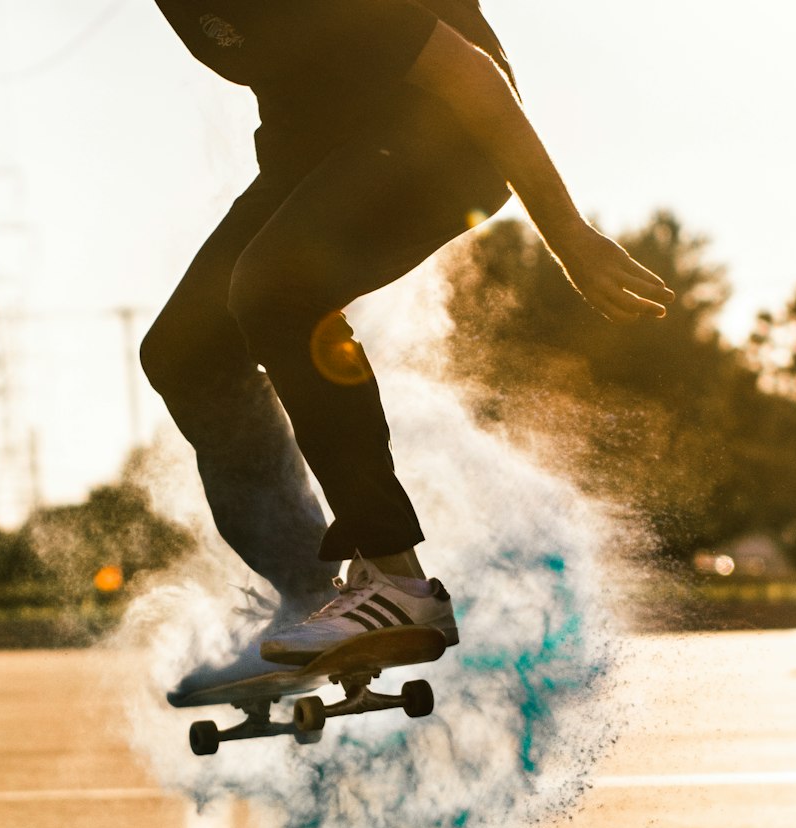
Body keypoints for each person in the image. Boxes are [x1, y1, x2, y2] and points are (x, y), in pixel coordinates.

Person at [141, 1, 674, 706]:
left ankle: (395, 579)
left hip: (442, 133)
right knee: (185, 351)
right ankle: (308, 595)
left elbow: (472, 75)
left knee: (274, 293)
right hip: (319, 148)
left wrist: (570, 236)